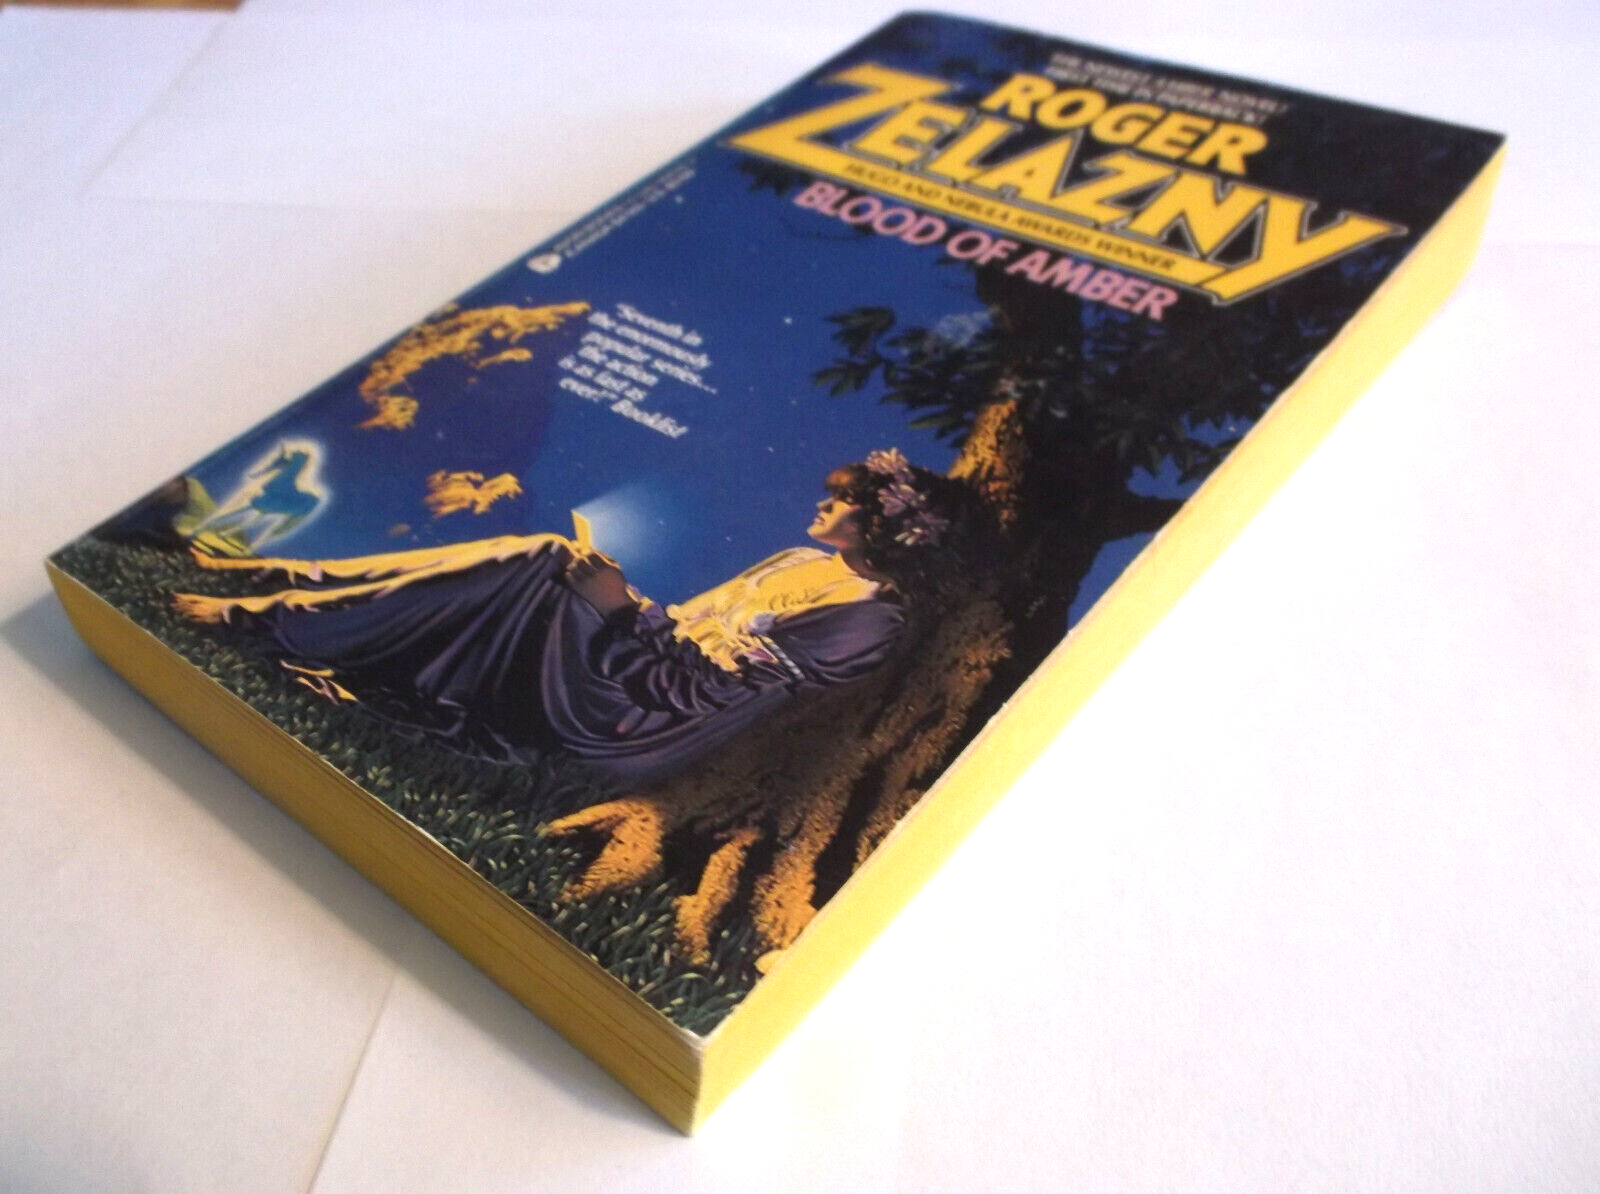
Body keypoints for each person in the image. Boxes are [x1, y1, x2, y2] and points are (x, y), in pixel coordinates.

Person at [174, 450, 968, 785]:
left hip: (640, 723)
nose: (826, 502)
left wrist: (616, 609)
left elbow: (701, 692)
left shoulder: (866, 616)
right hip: (637, 669)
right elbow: (686, 624)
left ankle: (272, 619)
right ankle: (276, 583)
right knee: (550, 556)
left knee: (540, 562)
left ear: (884, 526)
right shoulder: (801, 561)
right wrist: (623, 602)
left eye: (847, 502)